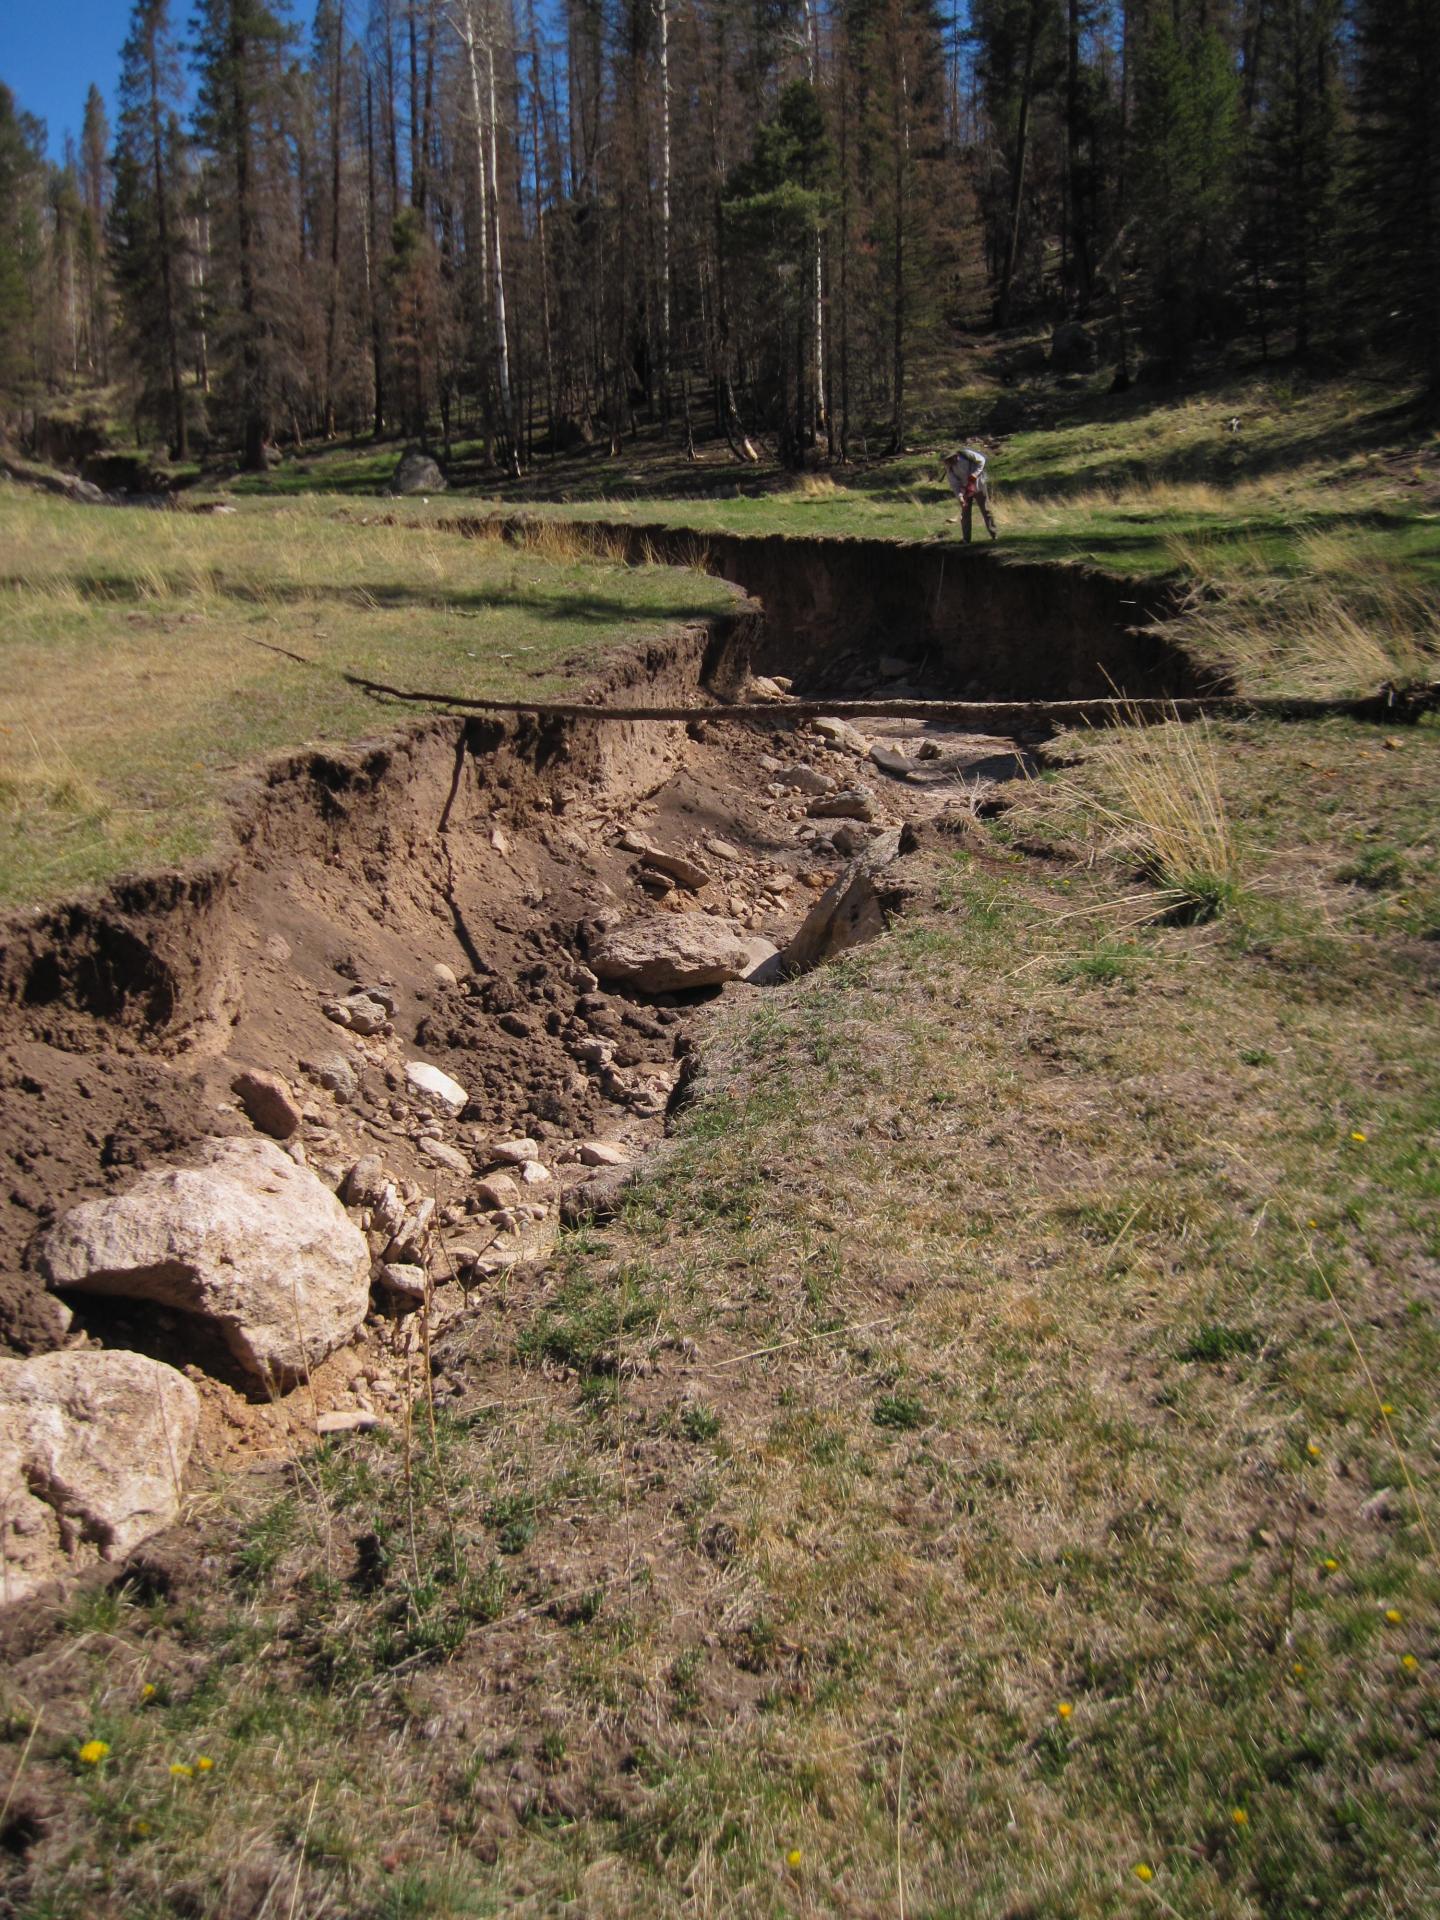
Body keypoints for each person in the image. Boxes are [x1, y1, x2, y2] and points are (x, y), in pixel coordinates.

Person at [942, 445, 997, 542]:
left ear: (953, 456)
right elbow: (955, 485)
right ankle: (966, 539)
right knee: (965, 514)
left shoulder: (966, 455)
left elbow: (982, 460)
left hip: (979, 485)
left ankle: (994, 535)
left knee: (986, 510)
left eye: (947, 460)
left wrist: (975, 474)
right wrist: (960, 497)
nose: (946, 463)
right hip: (965, 490)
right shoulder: (950, 469)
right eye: (945, 461)